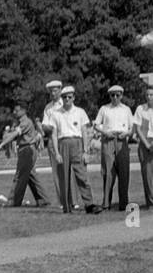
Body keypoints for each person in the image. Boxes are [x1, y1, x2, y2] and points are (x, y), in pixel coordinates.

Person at [42, 84, 101, 214]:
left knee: (82, 175)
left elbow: (84, 132)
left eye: (69, 97)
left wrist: (86, 151)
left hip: (77, 142)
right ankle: (66, 206)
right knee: (63, 177)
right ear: (61, 98)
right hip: (62, 142)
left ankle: (89, 204)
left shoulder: (80, 112)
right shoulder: (55, 114)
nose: (67, 99)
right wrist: (56, 153)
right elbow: (53, 134)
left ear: (74, 97)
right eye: (64, 97)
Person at [0, 104, 50, 208]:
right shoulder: (21, 122)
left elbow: (13, 135)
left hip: (27, 150)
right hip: (25, 149)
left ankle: (14, 200)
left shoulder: (25, 122)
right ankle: (43, 200)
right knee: (31, 176)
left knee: (19, 176)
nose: (14, 112)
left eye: (16, 110)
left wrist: (1, 145)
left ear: (23, 111)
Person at [95, 84, 134, 210]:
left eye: (118, 95)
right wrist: (105, 132)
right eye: (113, 95)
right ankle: (106, 203)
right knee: (108, 172)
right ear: (109, 96)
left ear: (121, 95)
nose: (115, 97)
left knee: (124, 172)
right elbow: (96, 125)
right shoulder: (104, 109)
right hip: (108, 139)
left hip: (122, 140)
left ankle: (124, 203)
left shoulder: (126, 109)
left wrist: (127, 133)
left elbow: (132, 127)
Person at [41, 78, 66, 208]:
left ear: (60, 90)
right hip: (53, 140)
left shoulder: (66, 103)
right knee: (57, 173)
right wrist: (51, 127)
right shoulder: (48, 108)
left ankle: (74, 201)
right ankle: (62, 201)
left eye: (55, 91)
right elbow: (45, 126)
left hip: (65, 138)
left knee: (70, 171)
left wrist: (52, 126)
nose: (53, 94)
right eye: (51, 92)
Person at [134, 82, 153, 209]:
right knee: (147, 174)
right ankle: (150, 202)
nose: (149, 97)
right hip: (145, 142)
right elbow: (138, 128)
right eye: (147, 95)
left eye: (152, 94)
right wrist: (147, 144)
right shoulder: (140, 109)